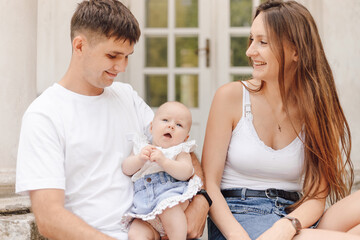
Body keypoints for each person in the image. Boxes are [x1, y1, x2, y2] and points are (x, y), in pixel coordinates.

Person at [15, 1, 208, 239]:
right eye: (113, 55)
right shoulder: (44, 115)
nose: (122, 67)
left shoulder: (127, 96)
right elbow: (49, 218)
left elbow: (178, 146)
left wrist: (201, 199)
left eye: (127, 56)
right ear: (79, 46)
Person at [201, 1, 360, 240]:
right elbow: (209, 184)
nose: (250, 51)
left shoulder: (316, 108)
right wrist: (236, 235)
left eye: (262, 42)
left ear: (296, 51)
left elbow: (317, 197)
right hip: (241, 217)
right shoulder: (231, 97)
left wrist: (286, 226)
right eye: (251, 39)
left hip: (294, 217)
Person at [121, 101, 203, 240]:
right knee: (135, 233)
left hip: (170, 198)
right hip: (145, 208)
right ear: (152, 127)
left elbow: (186, 172)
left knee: (171, 213)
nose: (171, 126)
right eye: (165, 120)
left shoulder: (179, 151)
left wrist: (164, 162)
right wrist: (140, 159)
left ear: (186, 138)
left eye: (179, 125)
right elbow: (126, 168)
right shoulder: (141, 147)